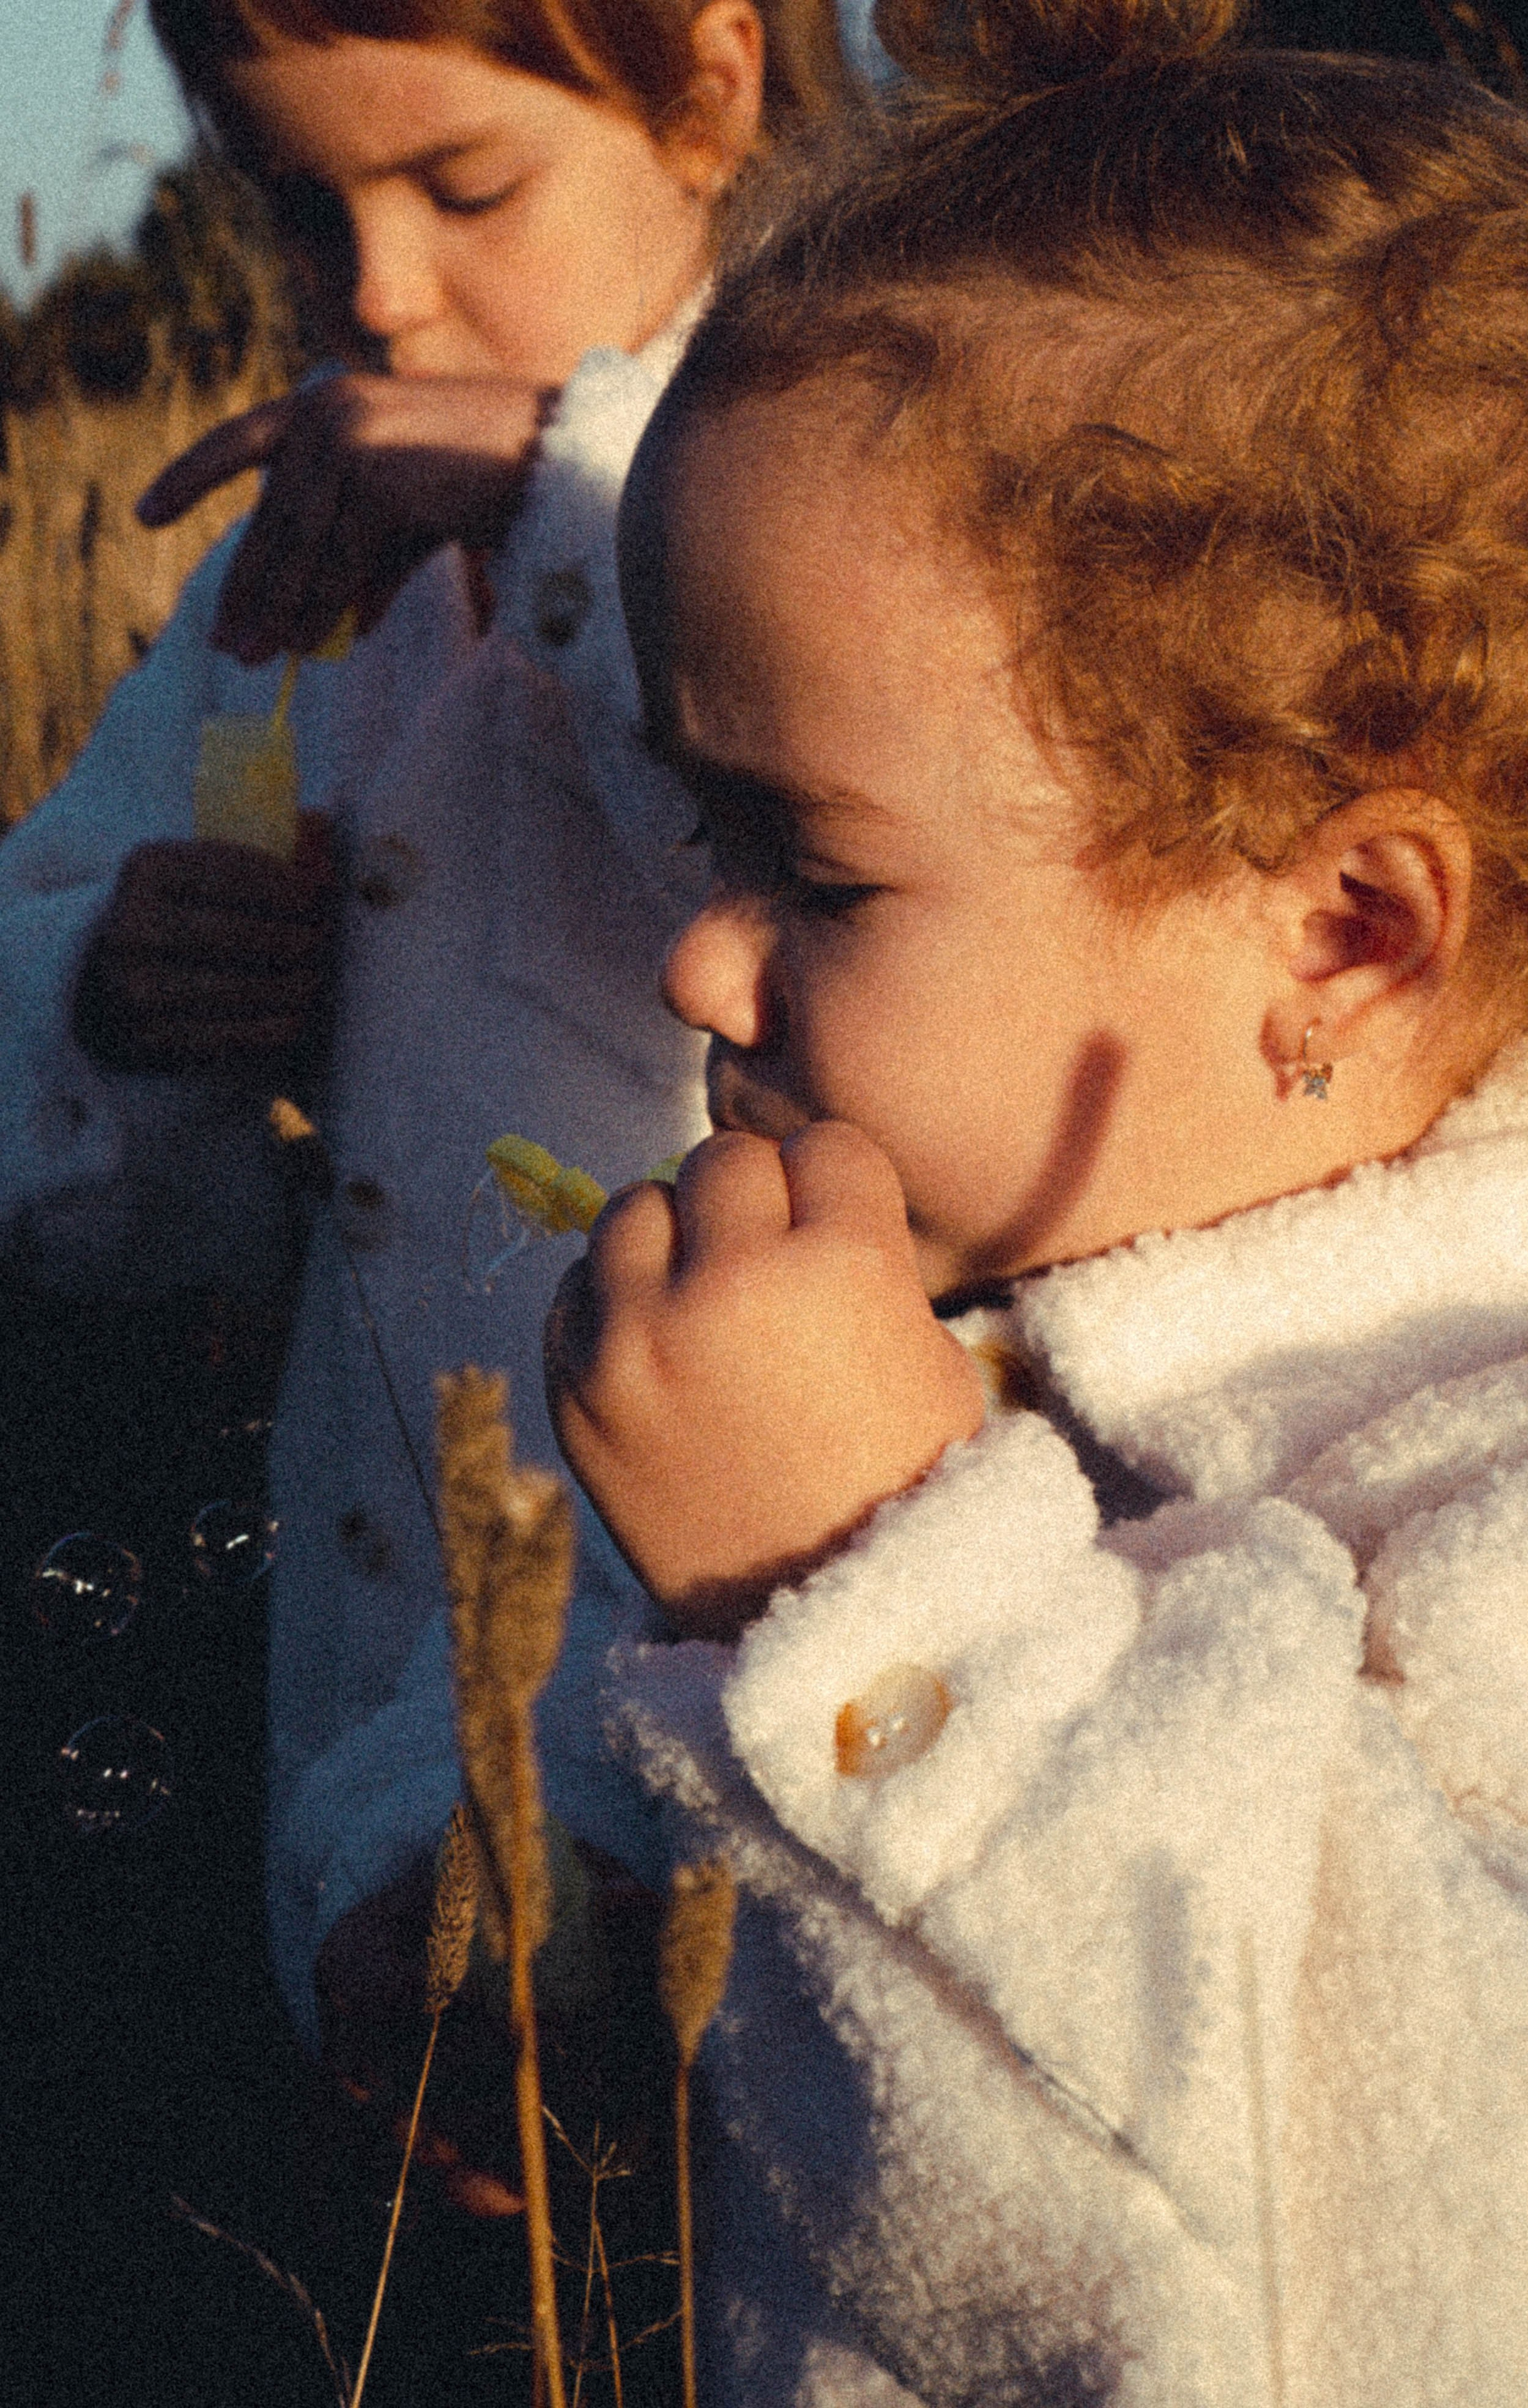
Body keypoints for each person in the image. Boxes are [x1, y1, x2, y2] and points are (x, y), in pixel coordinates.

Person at [546, 0, 1528, 2394]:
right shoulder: (994, 1295)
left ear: (1343, 929)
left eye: (811, 867)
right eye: (704, 833)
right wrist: (537, 1896)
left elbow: (1469, 2262)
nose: (698, 959)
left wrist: (863, 1580)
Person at [0, 0, 856, 2074]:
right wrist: (114, 996)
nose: (378, 291)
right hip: (372, 1677)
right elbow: (73, 1148)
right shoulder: (299, 583)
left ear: (713, 82)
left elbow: (861, 892)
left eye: (466, 186)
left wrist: (566, 499)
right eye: (304, 208)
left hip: (748, 1705)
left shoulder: (885, 492)